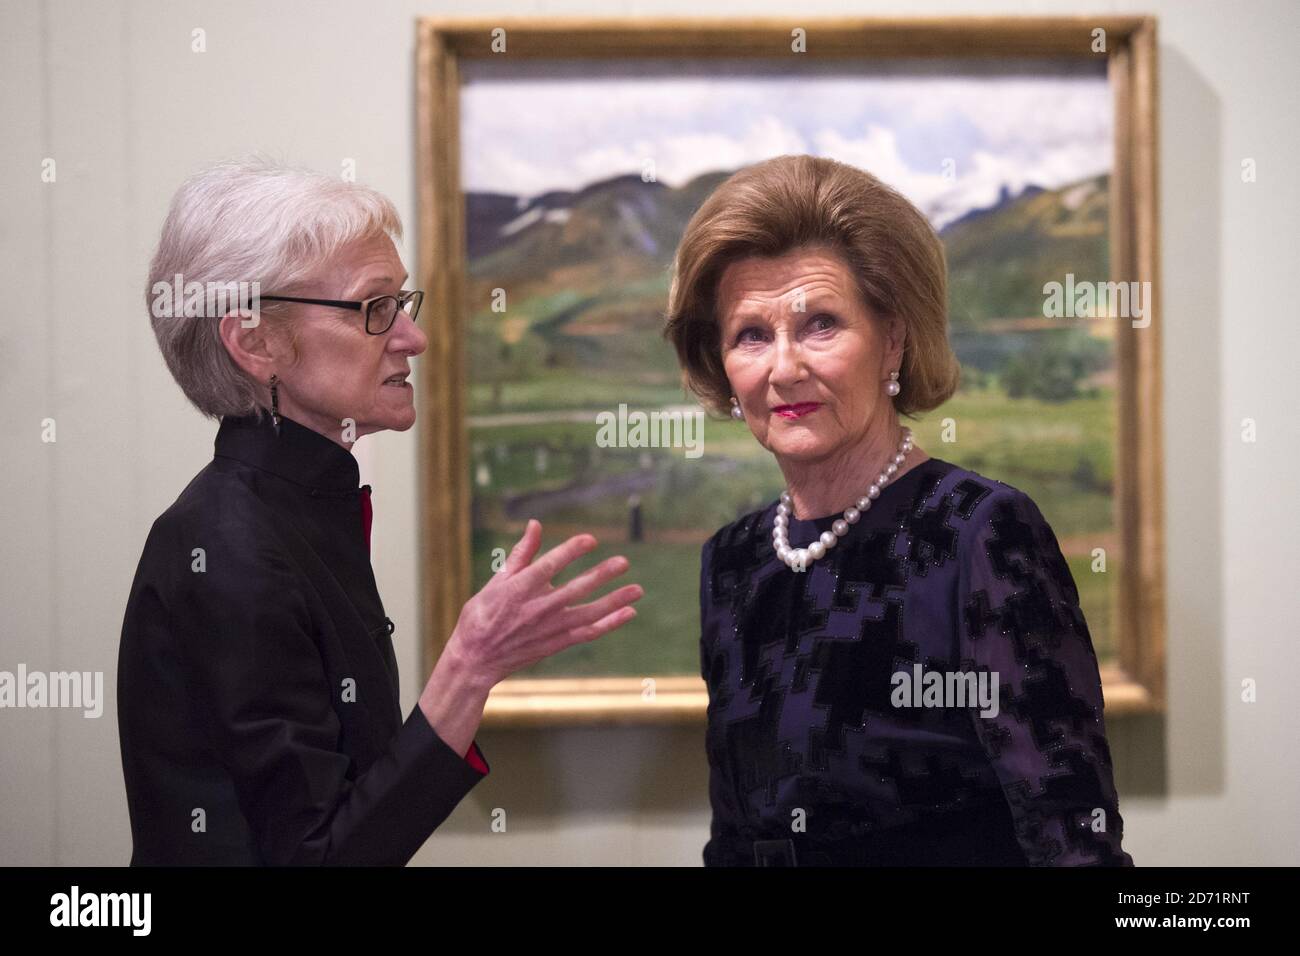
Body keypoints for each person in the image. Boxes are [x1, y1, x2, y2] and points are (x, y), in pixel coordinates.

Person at [119, 159, 643, 865]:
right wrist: (468, 668)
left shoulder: (290, 513)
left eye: (402, 302)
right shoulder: (229, 547)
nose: (411, 338)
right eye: (373, 307)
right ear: (255, 343)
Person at [664, 154, 1133, 866]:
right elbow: (736, 843)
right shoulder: (732, 562)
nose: (784, 368)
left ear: (894, 339)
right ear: (721, 364)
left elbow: (1073, 845)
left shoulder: (978, 533)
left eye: (820, 324)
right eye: (751, 334)